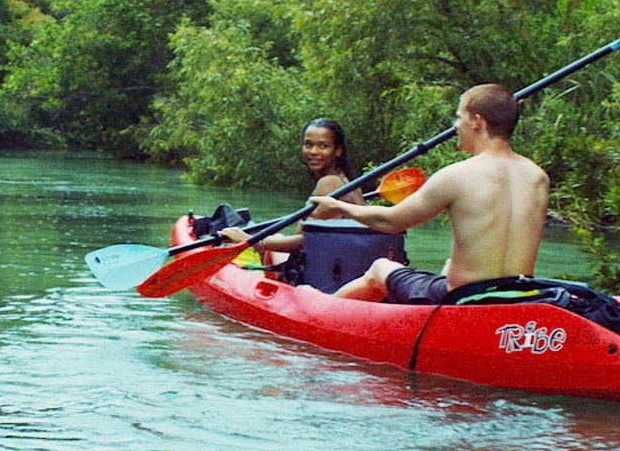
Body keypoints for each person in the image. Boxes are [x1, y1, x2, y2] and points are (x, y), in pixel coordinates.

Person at [309, 83, 549, 304]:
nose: (456, 126)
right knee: (448, 266)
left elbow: (390, 221)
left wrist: (339, 207)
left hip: (465, 298)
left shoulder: (457, 175)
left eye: (459, 117)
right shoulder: (537, 177)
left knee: (381, 268)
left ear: (477, 121)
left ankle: (322, 307)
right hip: (520, 296)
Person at [220, 118, 365, 256]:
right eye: (308, 144)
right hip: (341, 264)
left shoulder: (328, 183)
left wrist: (252, 241)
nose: (313, 151)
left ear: (338, 150)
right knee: (277, 237)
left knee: (271, 247)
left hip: (328, 271)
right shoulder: (350, 183)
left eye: (323, 146)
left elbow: (305, 242)